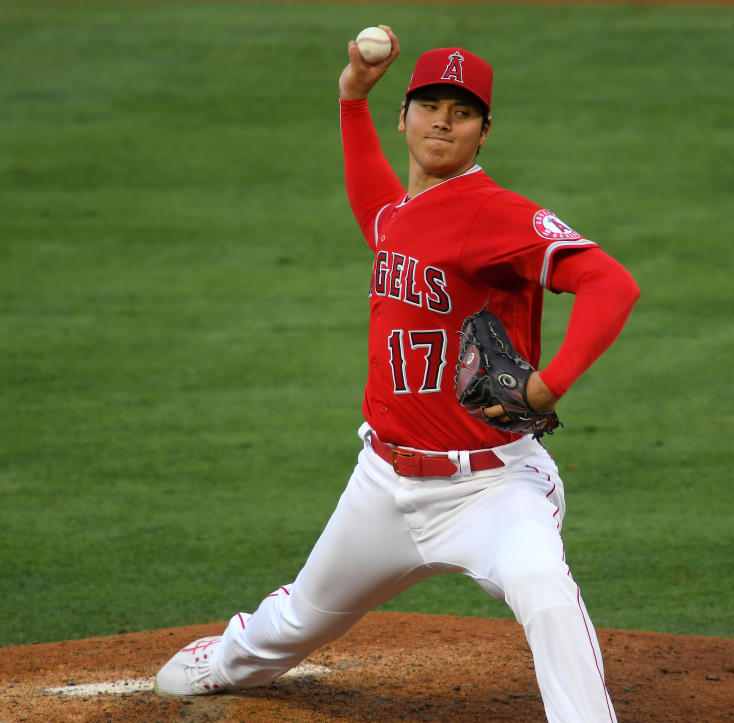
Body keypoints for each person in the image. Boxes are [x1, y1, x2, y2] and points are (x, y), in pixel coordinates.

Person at [155, 26, 640, 722]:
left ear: (484, 132)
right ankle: (229, 657)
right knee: (296, 622)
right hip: (383, 486)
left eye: (463, 111)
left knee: (543, 585)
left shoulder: (494, 213)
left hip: (492, 484)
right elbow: (371, 200)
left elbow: (611, 283)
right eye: (431, 104)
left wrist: (547, 384)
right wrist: (352, 93)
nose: (444, 120)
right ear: (405, 115)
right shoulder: (397, 219)